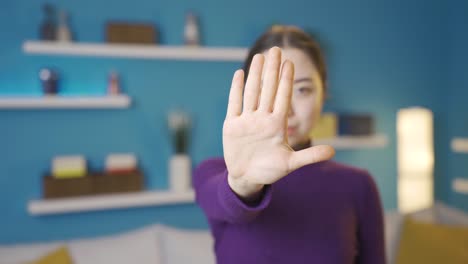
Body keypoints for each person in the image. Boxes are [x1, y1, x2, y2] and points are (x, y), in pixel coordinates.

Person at [193, 25, 385, 264]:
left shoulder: (358, 185)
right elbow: (225, 202)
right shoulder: (212, 173)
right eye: (269, 89)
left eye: (302, 89)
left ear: (323, 93)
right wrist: (243, 183)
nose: (286, 110)